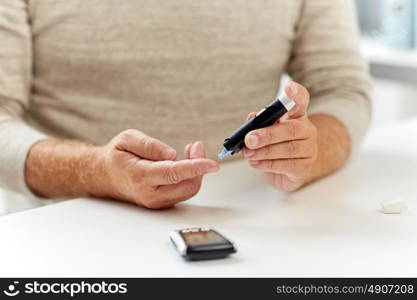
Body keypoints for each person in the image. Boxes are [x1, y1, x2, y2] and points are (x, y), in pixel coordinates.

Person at [0, 0, 371, 212]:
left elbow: (343, 89)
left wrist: (310, 149)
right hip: (56, 224)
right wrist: (94, 171)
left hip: (245, 222)